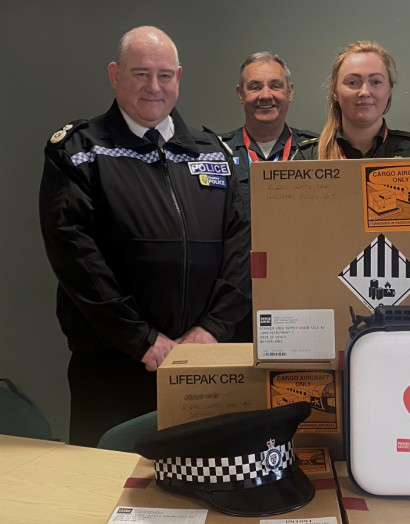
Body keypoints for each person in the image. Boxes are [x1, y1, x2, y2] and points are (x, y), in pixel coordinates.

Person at [39, 26, 251, 447]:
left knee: (198, 490)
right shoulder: (78, 151)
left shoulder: (214, 153)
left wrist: (210, 331)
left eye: (165, 75)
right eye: (140, 74)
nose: (154, 87)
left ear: (179, 77)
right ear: (115, 75)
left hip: (202, 364)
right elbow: (77, 258)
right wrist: (144, 341)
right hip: (113, 365)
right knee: (105, 495)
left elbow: (243, 249)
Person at [297, 41, 410, 270]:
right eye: (353, 82)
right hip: (328, 293)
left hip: (405, 298)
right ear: (334, 90)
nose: (365, 92)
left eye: (375, 82)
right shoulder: (306, 160)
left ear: (389, 89)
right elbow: (293, 243)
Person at [220, 52, 318, 342]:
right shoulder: (217, 153)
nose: (266, 95)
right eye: (254, 86)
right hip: (233, 302)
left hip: (303, 298)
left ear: (290, 92)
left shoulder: (319, 153)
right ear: (240, 94)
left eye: (275, 85)